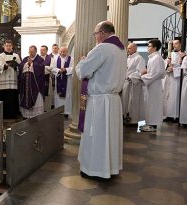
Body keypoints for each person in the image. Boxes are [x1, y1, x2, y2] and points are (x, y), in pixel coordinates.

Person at [75, 21, 127, 179]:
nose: (95, 37)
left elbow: (83, 71)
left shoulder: (102, 48)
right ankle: (110, 167)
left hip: (99, 101)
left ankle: (95, 170)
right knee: (110, 136)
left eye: (96, 34)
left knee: (96, 135)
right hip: (113, 99)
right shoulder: (121, 49)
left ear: (102, 33)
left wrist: (83, 60)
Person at [140, 39, 166, 132]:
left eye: (149, 46)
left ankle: (152, 125)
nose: (147, 48)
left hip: (154, 84)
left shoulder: (157, 58)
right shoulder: (152, 58)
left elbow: (157, 73)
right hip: (151, 84)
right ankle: (149, 123)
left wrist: (142, 77)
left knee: (153, 104)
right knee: (149, 104)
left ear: (154, 48)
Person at [121, 43, 146, 124]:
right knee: (125, 101)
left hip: (134, 84)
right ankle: (125, 117)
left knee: (133, 102)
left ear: (135, 48)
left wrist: (131, 77)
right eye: (127, 48)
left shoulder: (139, 58)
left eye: (129, 48)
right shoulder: (127, 58)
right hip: (126, 84)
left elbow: (140, 71)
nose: (128, 50)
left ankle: (134, 120)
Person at [0, 40, 21, 119]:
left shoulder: (16, 56)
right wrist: (6, 65)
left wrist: (15, 65)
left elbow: (20, 66)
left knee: (12, 97)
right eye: (7, 46)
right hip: (4, 80)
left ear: (12, 46)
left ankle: (13, 114)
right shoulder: (1, 56)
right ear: (4, 46)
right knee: (4, 97)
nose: (8, 47)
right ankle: (3, 115)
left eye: (10, 46)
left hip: (13, 79)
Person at [19, 45, 45, 118]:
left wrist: (32, 64)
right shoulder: (25, 59)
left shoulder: (40, 59)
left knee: (36, 99)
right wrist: (26, 64)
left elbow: (41, 68)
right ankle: (26, 115)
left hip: (35, 86)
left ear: (36, 51)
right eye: (29, 51)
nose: (30, 53)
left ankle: (36, 115)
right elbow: (21, 66)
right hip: (26, 86)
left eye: (32, 52)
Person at [51, 46, 73, 118]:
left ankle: (66, 111)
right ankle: (59, 111)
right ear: (59, 51)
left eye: (64, 51)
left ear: (67, 52)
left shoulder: (71, 59)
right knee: (58, 96)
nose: (62, 53)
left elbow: (73, 67)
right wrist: (58, 70)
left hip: (68, 81)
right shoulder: (55, 59)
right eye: (61, 51)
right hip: (59, 80)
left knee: (67, 95)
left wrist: (66, 69)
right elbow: (52, 68)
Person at [163, 39, 181, 122]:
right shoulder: (171, 54)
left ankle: (176, 115)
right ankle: (168, 115)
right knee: (168, 97)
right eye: (173, 44)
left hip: (176, 79)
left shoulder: (183, 55)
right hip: (169, 78)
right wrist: (167, 64)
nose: (174, 45)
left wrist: (173, 69)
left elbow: (184, 67)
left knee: (175, 96)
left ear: (180, 44)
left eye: (176, 43)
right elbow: (165, 66)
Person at [40, 45, 53, 111]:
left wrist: (43, 67)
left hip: (47, 79)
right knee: (39, 94)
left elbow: (51, 68)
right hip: (39, 80)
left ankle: (47, 109)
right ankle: (40, 109)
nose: (41, 51)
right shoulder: (37, 58)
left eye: (43, 50)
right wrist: (46, 67)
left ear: (46, 50)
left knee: (47, 94)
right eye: (40, 50)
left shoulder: (50, 58)